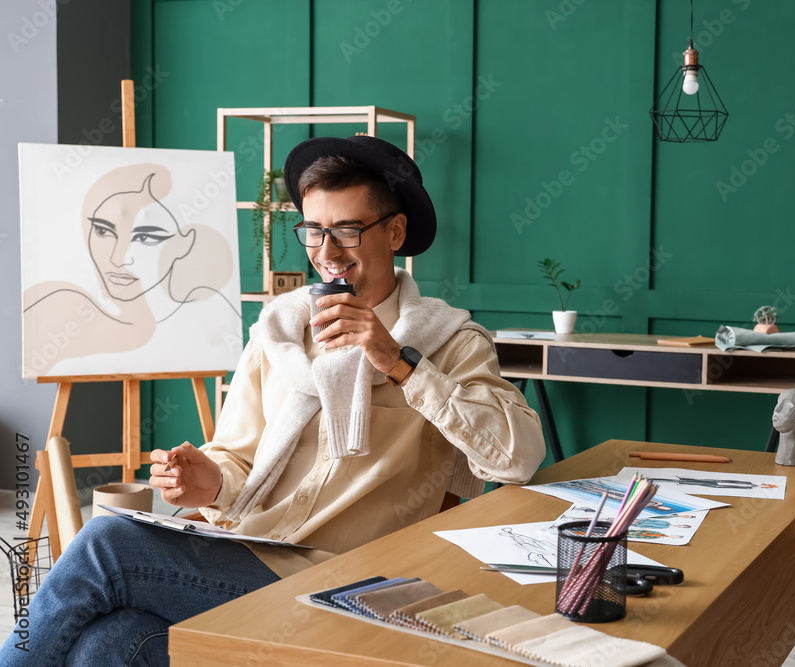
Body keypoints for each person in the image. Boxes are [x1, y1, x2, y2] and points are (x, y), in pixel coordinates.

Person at [1, 136, 546, 666]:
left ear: (395, 231)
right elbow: (237, 458)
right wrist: (206, 482)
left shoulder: (448, 342)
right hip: (254, 552)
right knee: (115, 641)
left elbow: (517, 457)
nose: (326, 253)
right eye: (312, 231)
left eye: (348, 230)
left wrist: (397, 361)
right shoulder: (279, 331)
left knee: (106, 541)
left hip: (353, 582)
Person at [22, 162, 241, 378]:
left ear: (184, 244)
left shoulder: (210, 318)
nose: (118, 258)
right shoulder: (59, 307)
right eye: (103, 231)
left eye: (145, 237)